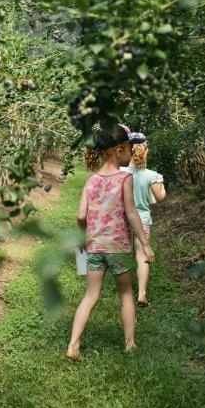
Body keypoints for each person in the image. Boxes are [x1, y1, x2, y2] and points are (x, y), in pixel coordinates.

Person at [67, 124, 155, 361]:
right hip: (118, 247)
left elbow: (80, 216)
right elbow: (132, 213)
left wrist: (82, 243)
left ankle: (73, 345)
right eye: (128, 148)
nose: (130, 153)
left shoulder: (91, 180)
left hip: (93, 246)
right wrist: (145, 244)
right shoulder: (124, 178)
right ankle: (129, 343)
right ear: (118, 150)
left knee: (90, 295)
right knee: (125, 293)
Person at [120, 132, 166, 307]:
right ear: (145, 150)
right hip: (143, 221)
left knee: (123, 256)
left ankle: (124, 292)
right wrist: (162, 185)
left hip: (123, 220)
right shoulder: (152, 175)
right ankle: (141, 294)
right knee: (142, 257)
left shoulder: (120, 172)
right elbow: (160, 197)